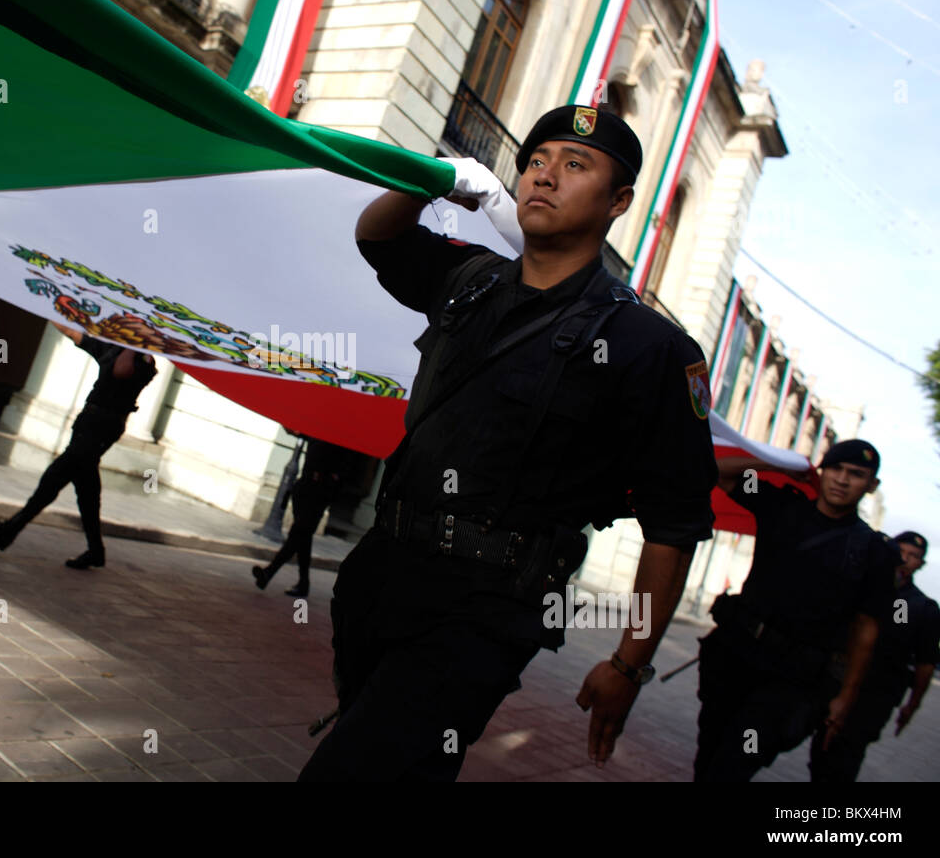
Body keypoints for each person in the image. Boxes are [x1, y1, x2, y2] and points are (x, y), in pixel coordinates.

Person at [297, 105, 719, 781]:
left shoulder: (653, 348)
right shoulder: (473, 280)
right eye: (535, 161)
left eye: (574, 165)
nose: (544, 176)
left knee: (354, 768)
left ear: (618, 201)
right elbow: (378, 239)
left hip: (488, 604)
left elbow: (675, 525)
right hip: (382, 570)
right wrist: (428, 180)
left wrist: (628, 664)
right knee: (388, 749)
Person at [695, 439, 899, 782]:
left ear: (871, 485)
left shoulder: (876, 552)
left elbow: (867, 627)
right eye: (835, 468)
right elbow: (717, 472)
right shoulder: (780, 506)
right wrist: (778, 466)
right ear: (821, 471)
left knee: (733, 765)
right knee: (709, 757)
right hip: (734, 659)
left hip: (791, 682)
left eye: (856, 474)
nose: (843, 480)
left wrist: (846, 696)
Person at [0, 324, 155, 568]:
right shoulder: (113, 349)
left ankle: (9, 530)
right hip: (88, 422)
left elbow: (121, 371)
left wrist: (136, 343)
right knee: (86, 491)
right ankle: (95, 551)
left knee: (55, 476)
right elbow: (76, 335)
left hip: (104, 428)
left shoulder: (147, 362)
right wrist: (54, 313)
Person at [808, 529, 940, 781]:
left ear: (921, 564)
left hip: (873, 697)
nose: (905, 559)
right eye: (900, 551)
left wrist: (912, 706)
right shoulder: (860, 583)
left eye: (913, 556)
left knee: (840, 762)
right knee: (816, 748)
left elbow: (926, 664)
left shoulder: (923, 609)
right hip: (832, 682)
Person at [252, 437, 360, 598]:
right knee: (303, 537)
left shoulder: (343, 432)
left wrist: (330, 479)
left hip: (320, 491)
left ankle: (270, 572)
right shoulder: (318, 426)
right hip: (304, 488)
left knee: (298, 534)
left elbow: (344, 463)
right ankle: (303, 583)